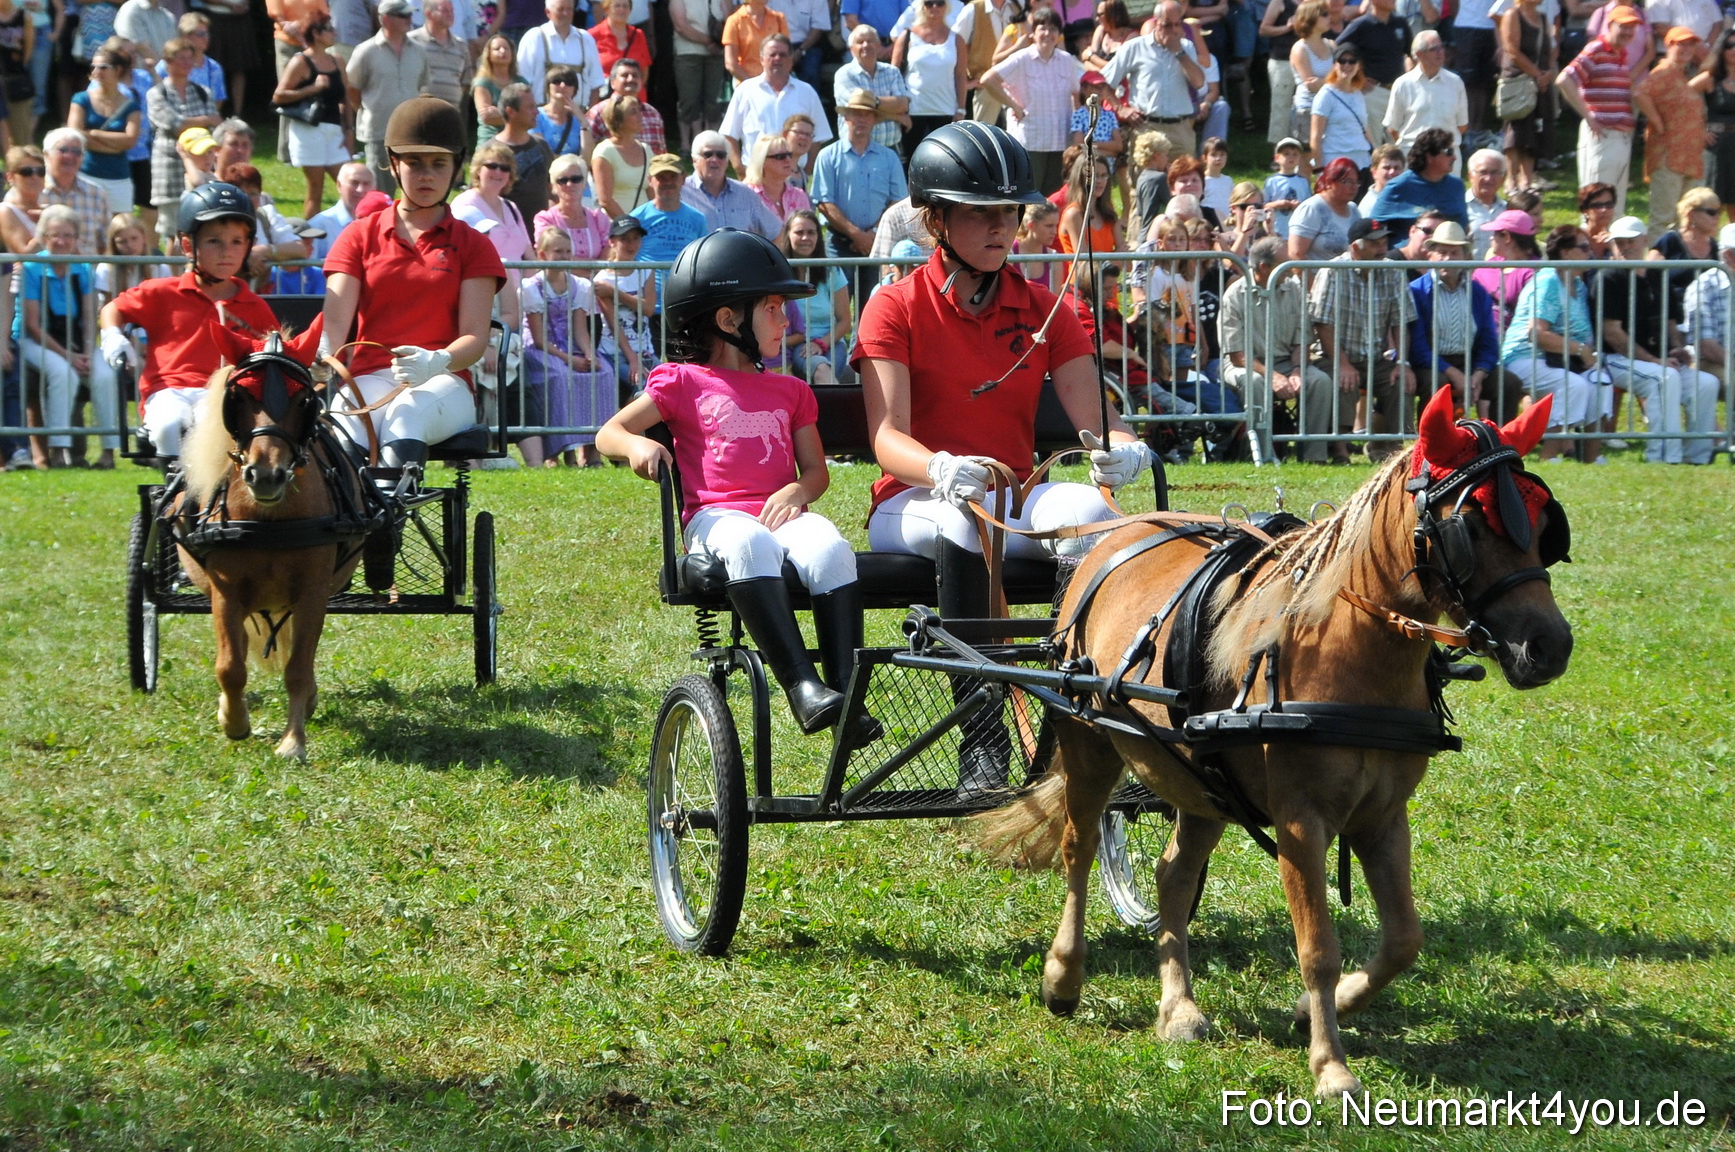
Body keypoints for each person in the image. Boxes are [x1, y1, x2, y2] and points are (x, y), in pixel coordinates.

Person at [854, 121, 1148, 795]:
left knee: (1087, 511)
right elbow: (885, 438)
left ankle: (1074, 705)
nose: (1001, 226)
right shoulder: (892, 307)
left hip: (1014, 498)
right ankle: (981, 729)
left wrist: (1124, 451)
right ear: (933, 220)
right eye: (978, 212)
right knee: (964, 518)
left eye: (1008, 212)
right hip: (913, 503)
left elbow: (1098, 419)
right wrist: (935, 468)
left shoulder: (1047, 308)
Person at [599, 228, 868, 737]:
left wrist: (798, 490)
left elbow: (815, 472)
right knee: (747, 541)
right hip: (715, 518)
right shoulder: (681, 380)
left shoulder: (790, 390)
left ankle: (847, 695)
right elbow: (610, 432)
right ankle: (803, 688)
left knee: (833, 549)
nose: (784, 318)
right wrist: (639, 446)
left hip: (781, 514)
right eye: (771, 307)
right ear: (728, 319)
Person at [320, 97, 505, 482]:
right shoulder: (358, 236)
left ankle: (386, 526)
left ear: (457, 166)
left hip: (446, 381)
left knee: (406, 415)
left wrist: (437, 361)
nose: (426, 175)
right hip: (369, 376)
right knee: (345, 426)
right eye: (414, 163)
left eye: (438, 164)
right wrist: (319, 360)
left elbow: (474, 336)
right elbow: (334, 327)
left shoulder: (473, 244)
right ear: (393, 164)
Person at [97, 182, 277, 460]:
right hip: (169, 390)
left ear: (248, 246)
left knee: (216, 423)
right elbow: (113, 309)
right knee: (171, 424)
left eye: (236, 241)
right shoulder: (161, 291)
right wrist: (112, 335)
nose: (226, 251)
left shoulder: (255, 306)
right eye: (214, 241)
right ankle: (175, 487)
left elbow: (274, 353)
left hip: (224, 393)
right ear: (187, 245)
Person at [1596, 214, 1720, 463]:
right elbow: (1613, 334)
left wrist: (1676, 348)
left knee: (1705, 383)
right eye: (1619, 242)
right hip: (1613, 358)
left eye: (1630, 240)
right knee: (1664, 379)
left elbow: (1670, 320)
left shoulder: (1657, 274)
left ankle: (1699, 456)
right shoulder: (1608, 277)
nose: (1625, 247)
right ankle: (1664, 456)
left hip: (1656, 359)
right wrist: (1655, 360)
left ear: (1644, 240)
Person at [1220, 235, 1339, 461]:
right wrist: (1273, 377)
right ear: (1264, 267)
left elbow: (1301, 341)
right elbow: (1238, 356)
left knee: (1319, 381)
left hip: (1286, 362)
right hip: (1245, 365)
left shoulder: (1293, 289)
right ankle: (1262, 454)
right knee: (1254, 382)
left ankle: (1314, 457)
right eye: (1283, 264)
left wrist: (1296, 370)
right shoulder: (1234, 296)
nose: (1290, 268)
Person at [15, 206, 115, 469]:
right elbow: (33, 325)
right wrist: (68, 356)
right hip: (34, 340)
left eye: (68, 235)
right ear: (44, 236)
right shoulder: (32, 268)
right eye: (55, 235)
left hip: (74, 340)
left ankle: (108, 453)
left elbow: (89, 314)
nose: (62, 241)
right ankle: (59, 450)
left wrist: (85, 352)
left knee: (104, 375)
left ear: (76, 238)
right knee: (63, 373)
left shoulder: (82, 268)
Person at [1309, 217, 1417, 457]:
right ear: (1356, 247)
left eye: (1384, 242)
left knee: (1401, 382)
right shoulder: (1332, 271)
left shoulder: (1393, 270)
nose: (1383, 248)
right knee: (1345, 379)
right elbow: (1322, 323)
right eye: (1375, 243)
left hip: (1375, 358)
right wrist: (1342, 362)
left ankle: (1396, 453)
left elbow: (1401, 321)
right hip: (1332, 354)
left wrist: (1402, 362)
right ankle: (1340, 450)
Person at [1498, 224, 1603, 460]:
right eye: (1584, 247)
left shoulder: (1577, 284)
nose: (1591, 253)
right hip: (1523, 357)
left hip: (1559, 359)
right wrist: (1580, 349)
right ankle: (1549, 456)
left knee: (1600, 382)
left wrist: (1587, 353)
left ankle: (1591, 459)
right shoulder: (1548, 281)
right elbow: (1536, 333)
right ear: (1565, 253)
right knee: (1573, 386)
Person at [811, 88, 907, 317]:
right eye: (855, 113)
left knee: (873, 309)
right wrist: (857, 235)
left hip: (879, 242)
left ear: (875, 119)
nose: (861, 119)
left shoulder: (889, 157)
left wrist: (872, 234)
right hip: (838, 244)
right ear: (846, 118)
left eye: (866, 114)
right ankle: (836, 351)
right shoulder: (827, 156)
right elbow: (823, 202)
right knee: (835, 312)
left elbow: (898, 200)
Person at [524, 224, 611, 465]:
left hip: (570, 345)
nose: (564, 257)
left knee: (604, 372)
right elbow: (539, 339)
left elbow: (580, 330)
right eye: (557, 251)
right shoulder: (532, 287)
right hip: (540, 348)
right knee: (560, 376)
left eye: (567, 251)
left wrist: (589, 354)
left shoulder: (578, 285)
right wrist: (570, 359)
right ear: (543, 255)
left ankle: (595, 446)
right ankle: (563, 450)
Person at [1406, 220, 1499, 413]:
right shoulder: (1417, 291)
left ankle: (1500, 439)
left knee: (1507, 382)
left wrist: (1478, 375)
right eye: (1441, 252)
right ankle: (1432, 440)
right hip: (1429, 363)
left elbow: (1489, 341)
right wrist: (1453, 373)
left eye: (1454, 252)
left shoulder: (1478, 292)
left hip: (1468, 360)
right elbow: (1417, 347)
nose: (1448, 259)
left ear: (1466, 256)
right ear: (1430, 255)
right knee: (1436, 383)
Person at [1559, 5, 1641, 216]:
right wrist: (1589, 116)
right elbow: (1564, 79)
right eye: (1623, 26)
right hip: (1602, 135)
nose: (1628, 32)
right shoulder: (1596, 49)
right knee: (1597, 203)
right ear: (1610, 25)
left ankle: (1608, 248)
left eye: (1632, 28)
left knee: (1614, 204)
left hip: (1619, 137)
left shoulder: (1620, 53)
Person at [272, 14, 351, 221]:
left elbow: (345, 98)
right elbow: (279, 96)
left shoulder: (337, 61)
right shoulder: (300, 61)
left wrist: (349, 130)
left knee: (350, 185)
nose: (334, 32)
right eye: (329, 29)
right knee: (315, 190)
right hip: (308, 131)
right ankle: (310, 241)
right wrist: (312, 88)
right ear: (316, 34)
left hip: (334, 131)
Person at [1629, 27, 1706, 239]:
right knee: (1663, 219)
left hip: (1690, 156)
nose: (1687, 48)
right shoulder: (1663, 71)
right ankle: (1656, 268)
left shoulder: (1683, 74)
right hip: (1668, 155)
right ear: (1669, 45)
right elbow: (1639, 93)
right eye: (1681, 43)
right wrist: (1657, 121)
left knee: (1686, 219)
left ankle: (1679, 266)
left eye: (1691, 44)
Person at [347, 0, 430, 195]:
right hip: (378, 131)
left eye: (410, 15)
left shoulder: (419, 51)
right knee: (380, 190)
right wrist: (369, 109)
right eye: (404, 15)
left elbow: (422, 85)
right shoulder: (365, 51)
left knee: (413, 187)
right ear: (386, 19)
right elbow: (352, 87)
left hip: (411, 132)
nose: (410, 19)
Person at [1102, 1, 1205, 157]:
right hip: (1147, 127)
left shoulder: (1186, 47)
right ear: (1156, 23)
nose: (1174, 30)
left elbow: (1199, 82)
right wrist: (1121, 108)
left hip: (1181, 128)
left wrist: (1179, 53)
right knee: (1145, 180)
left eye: (1178, 25)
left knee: (1184, 179)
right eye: (1167, 25)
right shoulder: (1135, 47)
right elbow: (1102, 83)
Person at [721, 35, 832, 173]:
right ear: (761, 59)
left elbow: (818, 137)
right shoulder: (745, 90)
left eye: (783, 55)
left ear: (791, 59)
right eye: (772, 54)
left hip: (793, 175)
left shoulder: (807, 92)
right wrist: (739, 168)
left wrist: (807, 171)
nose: (777, 58)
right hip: (755, 174)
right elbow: (729, 135)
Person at [145, 41, 218, 241]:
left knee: (200, 224)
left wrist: (199, 122)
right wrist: (204, 121)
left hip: (202, 166)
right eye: (181, 58)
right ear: (168, 62)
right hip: (169, 167)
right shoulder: (157, 93)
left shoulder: (203, 92)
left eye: (190, 58)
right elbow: (173, 124)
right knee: (173, 231)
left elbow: (216, 124)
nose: (187, 63)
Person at [777, 208, 853, 380]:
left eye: (811, 232)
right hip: (796, 345)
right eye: (799, 232)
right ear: (788, 235)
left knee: (824, 368)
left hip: (831, 342)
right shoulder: (778, 273)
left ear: (818, 236)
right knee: (820, 367)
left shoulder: (831, 270)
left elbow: (845, 321)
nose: (805, 238)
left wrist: (821, 343)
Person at [280, 159, 373, 294]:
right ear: (339, 185)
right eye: (354, 183)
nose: (360, 190)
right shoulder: (320, 224)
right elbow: (309, 268)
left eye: (366, 184)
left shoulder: (378, 221)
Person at [69, 44, 141, 217]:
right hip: (87, 173)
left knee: (120, 228)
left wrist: (93, 133)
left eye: (102, 67)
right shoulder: (81, 99)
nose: (96, 71)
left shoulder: (131, 105)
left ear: (118, 70)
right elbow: (75, 135)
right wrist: (116, 144)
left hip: (119, 177)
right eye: (93, 66)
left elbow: (130, 140)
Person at [897, 0, 969, 165]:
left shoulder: (956, 39)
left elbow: (960, 76)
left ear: (946, 7)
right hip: (912, 112)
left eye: (939, 3)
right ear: (922, 7)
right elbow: (894, 76)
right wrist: (899, 112)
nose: (935, 7)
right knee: (911, 163)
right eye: (929, 3)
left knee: (944, 163)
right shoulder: (907, 36)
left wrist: (961, 109)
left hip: (946, 111)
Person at [594, 214, 658, 386]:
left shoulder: (646, 271)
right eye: (625, 239)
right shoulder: (602, 279)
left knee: (671, 387)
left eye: (636, 238)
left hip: (645, 351)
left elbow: (649, 309)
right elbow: (613, 324)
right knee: (644, 388)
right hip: (615, 352)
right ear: (612, 242)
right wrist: (632, 359)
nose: (631, 244)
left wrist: (615, 293)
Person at [1497, 0, 1553, 196]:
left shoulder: (1544, 18)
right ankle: (1511, 181)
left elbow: (1549, 51)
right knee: (1515, 130)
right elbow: (1512, 50)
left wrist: (1548, 74)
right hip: (1518, 82)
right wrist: (1537, 75)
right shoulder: (1513, 15)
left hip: (1539, 81)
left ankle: (1527, 180)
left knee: (1534, 131)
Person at [684, 129, 782, 235]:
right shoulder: (681, 192)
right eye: (708, 154)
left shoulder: (745, 194)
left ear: (727, 161)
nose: (715, 159)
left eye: (721, 155)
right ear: (695, 159)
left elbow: (776, 232)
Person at [1384, 29, 1466, 156]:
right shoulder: (1403, 84)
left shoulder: (1456, 82)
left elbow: (1462, 125)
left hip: (1447, 154)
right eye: (1434, 49)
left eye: (1441, 47)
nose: (1440, 52)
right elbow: (1393, 128)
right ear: (1419, 54)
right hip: (1413, 153)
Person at [835, 22, 912, 155]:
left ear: (878, 46)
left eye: (870, 41)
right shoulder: (844, 74)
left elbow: (903, 105)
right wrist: (897, 116)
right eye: (860, 42)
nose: (866, 45)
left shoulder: (892, 71)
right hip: (856, 150)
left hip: (891, 149)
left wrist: (872, 101)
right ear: (851, 49)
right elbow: (858, 108)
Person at [1370, 128, 1469, 225]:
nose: (1454, 157)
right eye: (1449, 152)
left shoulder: (1457, 186)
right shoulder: (1398, 187)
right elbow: (1372, 226)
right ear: (1429, 156)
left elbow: (1464, 225)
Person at [1310, 43, 1376, 183]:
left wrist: (1376, 155)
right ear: (1334, 64)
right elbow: (1315, 136)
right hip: (1336, 162)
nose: (1347, 65)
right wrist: (1318, 169)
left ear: (1358, 66)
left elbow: (1364, 129)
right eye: (1342, 61)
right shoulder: (1325, 95)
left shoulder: (1358, 94)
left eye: (1352, 61)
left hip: (1362, 161)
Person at [517, 0, 606, 104]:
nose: (566, 14)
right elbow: (522, 82)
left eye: (569, 9)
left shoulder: (586, 39)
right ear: (547, 12)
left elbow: (595, 83)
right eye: (561, 9)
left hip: (580, 114)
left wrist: (588, 116)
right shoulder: (533, 37)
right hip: (540, 115)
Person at [493, 82, 555, 226]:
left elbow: (552, 189)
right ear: (511, 112)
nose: (537, 112)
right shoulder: (491, 151)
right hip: (507, 236)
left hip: (541, 236)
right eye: (530, 107)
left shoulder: (541, 146)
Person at [669, 0, 728, 146]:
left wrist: (719, 43)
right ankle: (686, 144)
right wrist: (709, 42)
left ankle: (711, 142)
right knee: (688, 99)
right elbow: (680, 26)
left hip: (717, 54)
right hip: (688, 53)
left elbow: (729, 21)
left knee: (715, 100)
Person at [536, 152, 610, 265]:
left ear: (585, 183)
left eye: (576, 179)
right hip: (559, 281)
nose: (570, 184)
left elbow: (609, 257)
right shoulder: (545, 220)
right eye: (562, 180)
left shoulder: (599, 218)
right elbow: (548, 257)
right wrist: (595, 265)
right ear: (553, 187)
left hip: (597, 281)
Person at [1288, 155, 1362, 268]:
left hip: (1346, 282)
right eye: (1346, 181)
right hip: (1316, 281)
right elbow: (1296, 254)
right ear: (1328, 182)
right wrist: (1315, 284)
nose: (1353, 187)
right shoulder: (1312, 208)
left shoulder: (1354, 210)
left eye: (1356, 182)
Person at [1473, 206, 1539, 331]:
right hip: (1482, 340)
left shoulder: (1534, 271)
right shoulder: (1487, 267)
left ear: (1507, 237)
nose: (1491, 238)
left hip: (1517, 343)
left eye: (1495, 233)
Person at [584, 56, 667, 153]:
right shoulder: (598, 113)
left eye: (635, 75)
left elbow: (662, 154)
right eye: (625, 75)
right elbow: (587, 152)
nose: (630, 79)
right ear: (612, 83)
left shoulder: (653, 114)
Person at [591, 94, 651, 216]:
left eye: (639, 110)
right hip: (617, 226)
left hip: (646, 225)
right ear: (618, 119)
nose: (640, 116)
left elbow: (652, 192)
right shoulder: (605, 151)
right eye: (633, 112)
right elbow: (605, 200)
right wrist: (628, 226)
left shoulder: (646, 149)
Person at [410, 0, 475, 108]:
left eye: (452, 10)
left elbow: (465, 83)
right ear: (428, 13)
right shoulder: (411, 42)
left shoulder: (461, 46)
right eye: (445, 10)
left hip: (451, 115)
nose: (450, 14)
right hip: (419, 114)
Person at [1699, 30, 1735, 224]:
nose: (1733, 49)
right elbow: (1682, 98)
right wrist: (1699, 130)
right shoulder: (1710, 78)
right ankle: (1709, 249)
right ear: (1721, 49)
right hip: (1716, 147)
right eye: (1729, 45)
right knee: (1712, 204)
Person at [1057, 149, 1119, 255]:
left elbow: (1127, 264)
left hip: (1109, 272)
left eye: (1104, 175)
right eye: (1094, 176)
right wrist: (1115, 259)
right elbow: (1084, 262)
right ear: (1081, 178)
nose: (1099, 181)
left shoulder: (1108, 210)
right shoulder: (1073, 214)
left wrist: (1113, 260)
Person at [1286, 0, 1332, 144]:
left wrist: (1324, 82)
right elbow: (1311, 85)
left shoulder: (1331, 45)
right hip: (1306, 110)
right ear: (1310, 18)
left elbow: (1320, 83)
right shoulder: (1300, 49)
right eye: (1324, 14)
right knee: (1307, 158)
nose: (1329, 17)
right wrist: (1336, 80)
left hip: (1330, 108)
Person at [745, 131, 812, 223]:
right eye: (781, 156)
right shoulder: (746, 194)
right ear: (763, 161)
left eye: (789, 155)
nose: (788, 160)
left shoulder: (799, 196)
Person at [473, 33, 527, 144]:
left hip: (516, 139)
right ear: (489, 55)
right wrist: (517, 116)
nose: (503, 51)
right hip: (490, 140)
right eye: (497, 49)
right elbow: (486, 117)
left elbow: (529, 114)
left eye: (506, 48)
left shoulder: (521, 82)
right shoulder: (482, 83)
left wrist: (499, 113)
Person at [722, 0, 788, 81]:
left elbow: (786, 55)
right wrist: (752, 85)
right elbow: (731, 63)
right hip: (745, 85)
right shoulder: (734, 21)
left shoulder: (779, 19)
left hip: (775, 84)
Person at [1264, 136, 1311, 239]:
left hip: (1298, 230)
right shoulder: (1272, 181)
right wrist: (1278, 204)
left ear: (1299, 159)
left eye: (1295, 154)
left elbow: (1309, 206)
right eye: (1286, 154)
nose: (1291, 157)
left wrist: (1299, 206)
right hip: (1277, 228)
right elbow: (1263, 205)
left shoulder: (1303, 182)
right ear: (1277, 158)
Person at [589, 0, 651, 75]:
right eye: (617, 6)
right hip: (604, 86)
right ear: (606, 9)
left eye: (625, 6)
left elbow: (644, 71)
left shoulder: (638, 35)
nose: (621, 9)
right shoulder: (592, 35)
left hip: (634, 85)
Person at [1463, 148, 1506, 257]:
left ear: (1502, 177)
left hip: (1501, 273)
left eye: (1494, 173)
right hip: (1468, 273)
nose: (1488, 178)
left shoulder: (1508, 210)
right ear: (1470, 176)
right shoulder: (1459, 207)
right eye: (1483, 172)